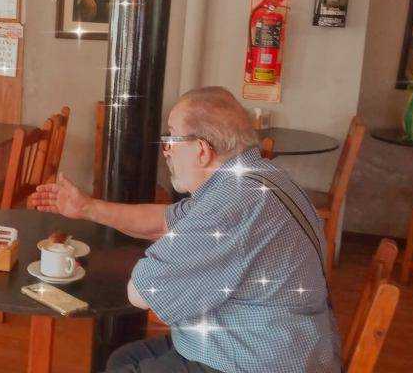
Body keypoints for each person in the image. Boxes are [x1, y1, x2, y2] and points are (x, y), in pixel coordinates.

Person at [30, 87, 341, 372]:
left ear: (202, 150)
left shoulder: (231, 201)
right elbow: (166, 221)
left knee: (125, 368)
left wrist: (161, 258)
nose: (166, 150)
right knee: (123, 358)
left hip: (258, 361)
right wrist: (87, 207)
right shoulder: (258, 177)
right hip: (290, 345)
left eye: (172, 139)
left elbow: (143, 293)